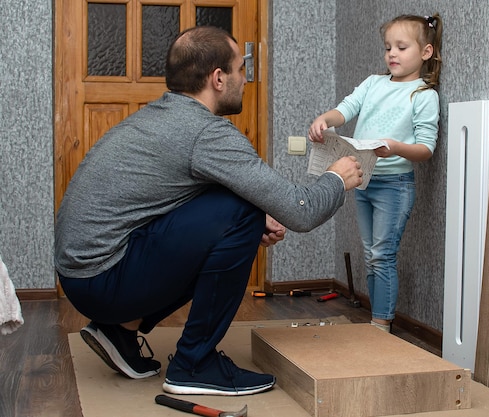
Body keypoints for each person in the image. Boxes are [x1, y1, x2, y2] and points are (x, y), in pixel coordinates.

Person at [54, 25, 363, 396]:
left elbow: (172, 203)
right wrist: (336, 177)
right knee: (244, 210)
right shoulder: (205, 133)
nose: (246, 79)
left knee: (244, 214)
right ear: (218, 78)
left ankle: (118, 329)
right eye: (241, 69)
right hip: (101, 280)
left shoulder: (160, 118)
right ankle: (194, 364)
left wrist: (246, 229)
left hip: (83, 275)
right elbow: (301, 212)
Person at [308, 14, 442, 333]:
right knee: (371, 255)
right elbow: (346, 109)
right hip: (364, 179)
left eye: (401, 47)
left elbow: (426, 148)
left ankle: (380, 326)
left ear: (425, 52)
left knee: (382, 255)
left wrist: (394, 146)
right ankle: (376, 321)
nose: (392, 54)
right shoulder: (373, 83)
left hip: (395, 186)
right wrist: (325, 119)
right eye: (388, 48)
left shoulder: (424, 96)